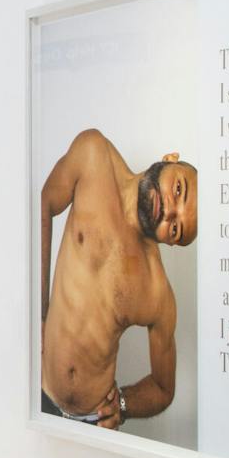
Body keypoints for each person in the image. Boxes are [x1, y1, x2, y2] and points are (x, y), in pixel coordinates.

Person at [39, 129, 197, 429]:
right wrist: (39, 313)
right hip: (35, 386)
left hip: (91, 423)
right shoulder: (93, 154)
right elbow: (43, 204)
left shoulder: (158, 291)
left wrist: (123, 405)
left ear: (171, 243)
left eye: (175, 228)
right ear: (170, 159)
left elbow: (164, 388)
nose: (168, 211)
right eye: (178, 190)